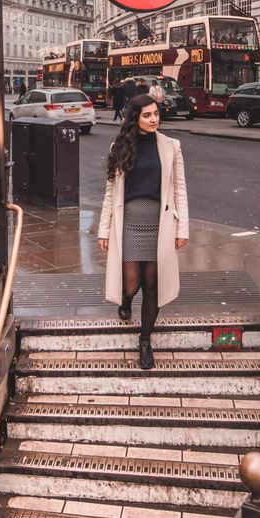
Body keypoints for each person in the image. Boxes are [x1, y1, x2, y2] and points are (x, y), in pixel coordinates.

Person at [98, 94, 189, 370]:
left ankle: (145, 340)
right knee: (131, 283)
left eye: (156, 114)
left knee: (153, 284)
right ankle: (126, 300)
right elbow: (110, 192)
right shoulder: (120, 147)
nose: (154, 119)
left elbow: (180, 189)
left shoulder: (172, 146)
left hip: (160, 223)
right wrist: (103, 229)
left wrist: (182, 227)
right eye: (147, 115)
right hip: (128, 221)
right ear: (135, 117)